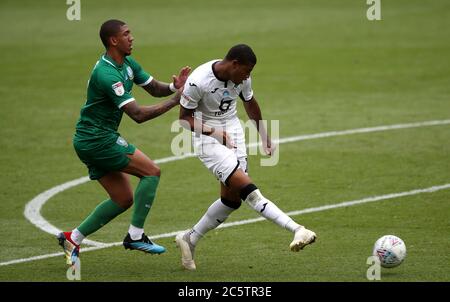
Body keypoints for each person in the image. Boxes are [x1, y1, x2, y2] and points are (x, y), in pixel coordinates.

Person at [57, 19, 191, 266]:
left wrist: (174, 86)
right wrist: (175, 101)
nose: (132, 38)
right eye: (127, 34)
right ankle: (135, 236)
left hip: (91, 138)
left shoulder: (127, 63)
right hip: (97, 138)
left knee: (122, 199)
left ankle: (72, 238)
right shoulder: (106, 73)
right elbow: (138, 115)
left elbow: (153, 87)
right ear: (113, 40)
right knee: (152, 172)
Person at [175, 44, 316, 270]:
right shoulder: (198, 80)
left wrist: (264, 135)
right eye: (246, 71)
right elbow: (184, 119)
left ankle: (189, 238)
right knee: (249, 191)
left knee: (231, 200)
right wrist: (215, 133)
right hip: (208, 137)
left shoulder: (241, 78)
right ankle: (297, 229)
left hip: (233, 130)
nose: (248, 77)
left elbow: (250, 103)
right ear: (234, 64)